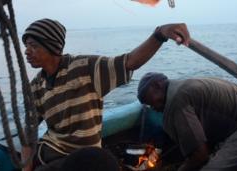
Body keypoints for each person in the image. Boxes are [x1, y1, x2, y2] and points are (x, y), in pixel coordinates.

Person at [21, 18, 190, 171]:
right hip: (52, 153)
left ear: (53, 47)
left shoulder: (85, 68)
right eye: (26, 46)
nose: (27, 51)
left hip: (88, 157)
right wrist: (26, 168)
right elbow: (29, 131)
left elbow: (129, 62)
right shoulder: (35, 87)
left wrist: (159, 34)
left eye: (34, 46)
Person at [137, 72, 237, 171]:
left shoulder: (177, 100)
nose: (152, 108)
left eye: (149, 101)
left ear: (157, 85)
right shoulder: (182, 86)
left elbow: (200, 156)